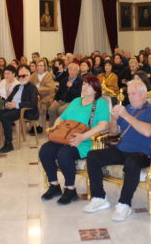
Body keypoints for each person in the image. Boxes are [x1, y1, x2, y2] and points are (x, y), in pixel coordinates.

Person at [83, 80, 151, 222]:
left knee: (132, 164)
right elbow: (114, 133)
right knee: (93, 156)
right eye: (128, 93)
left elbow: (148, 132)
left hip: (143, 152)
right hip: (122, 149)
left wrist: (126, 116)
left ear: (143, 94)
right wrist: (114, 119)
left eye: (133, 93)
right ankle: (99, 198)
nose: (130, 97)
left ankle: (124, 204)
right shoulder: (128, 108)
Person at [39, 76, 110, 205]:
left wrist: (83, 136)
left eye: (89, 85)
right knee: (45, 150)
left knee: (64, 153)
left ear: (96, 89)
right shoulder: (76, 101)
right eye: (84, 84)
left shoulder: (100, 104)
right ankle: (54, 185)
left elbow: (103, 125)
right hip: (66, 137)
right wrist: (55, 127)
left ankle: (70, 189)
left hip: (85, 141)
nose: (85, 87)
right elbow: (61, 118)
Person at [0, 65, 38, 153]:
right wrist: (6, 104)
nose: (21, 78)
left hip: (21, 110)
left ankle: (9, 144)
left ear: (29, 76)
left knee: (5, 117)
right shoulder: (17, 87)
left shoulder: (32, 88)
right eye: (20, 76)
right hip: (10, 108)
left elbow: (33, 103)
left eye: (23, 76)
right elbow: (8, 99)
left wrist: (17, 105)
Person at [30, 59, 56, 133]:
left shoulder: (48, 75)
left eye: (41, 65)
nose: (39, 67)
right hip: (36, 96)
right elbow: (29, 85)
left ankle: (41, 126)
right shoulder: (34, 75)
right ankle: (33, 126)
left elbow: (49, 88)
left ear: (45, 66)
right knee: (29, 105)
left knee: (40, 106)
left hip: (47, 96)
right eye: (38, 65)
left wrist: (37, 89)